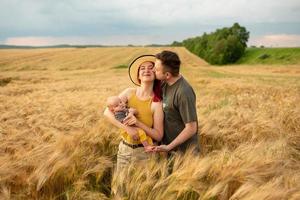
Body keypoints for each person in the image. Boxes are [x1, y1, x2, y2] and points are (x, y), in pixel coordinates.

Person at [103, 55, 164, 173]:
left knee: (144, 191)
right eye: (142, 68)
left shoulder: (156, 103)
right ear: (138, 75)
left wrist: (137, 123)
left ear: (156, 74)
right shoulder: (129, 92)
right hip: (125, 150)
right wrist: (127, 128)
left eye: (151, 67)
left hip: (145, 155)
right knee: (119, 189)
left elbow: (158, 135)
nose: (146, 70)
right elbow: (107, 112)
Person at [153, 50, 200, 154]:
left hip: (185, 153)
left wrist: (169, 147)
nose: (153, 70)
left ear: (167, 75)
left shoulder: (183, 92)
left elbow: (191, 128)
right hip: (170, 150)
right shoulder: (164, 83)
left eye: (156, 69)